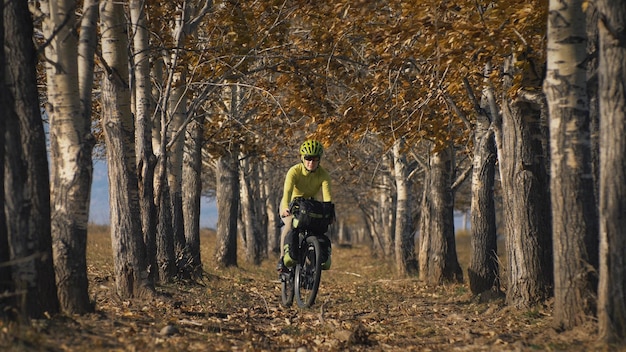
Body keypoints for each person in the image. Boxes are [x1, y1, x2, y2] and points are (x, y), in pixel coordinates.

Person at [277, 139, 333, 272]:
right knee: (290, 225)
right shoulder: (294, 171)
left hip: (309, 205)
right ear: (302, 158)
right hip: (292, 203)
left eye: (315, 159)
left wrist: (329, 213)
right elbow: (287, 193)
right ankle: (282, 260)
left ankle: (310, 262)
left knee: (316, 228)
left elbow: (327, 198)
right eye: (308, 158)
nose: (311, 163)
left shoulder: (324, 175)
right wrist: (286, 208)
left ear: (319, 160)